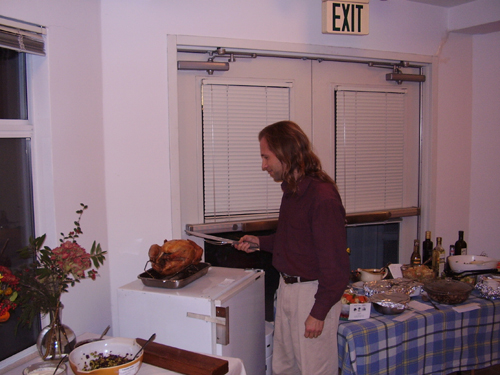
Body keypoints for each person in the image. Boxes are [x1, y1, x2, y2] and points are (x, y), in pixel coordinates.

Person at [234, 120, 350, 375]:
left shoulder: (322, 197)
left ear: (285, 152)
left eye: (266, 157)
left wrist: (318, 313)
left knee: (313, 370)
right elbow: (294, 240)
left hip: (311, 295)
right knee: (284, 368)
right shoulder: (292, 190)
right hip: (287, 289)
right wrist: (260, 243)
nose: (263, 165)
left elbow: (337, 267)